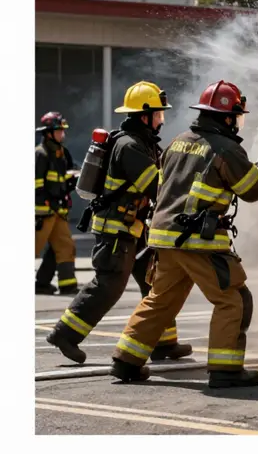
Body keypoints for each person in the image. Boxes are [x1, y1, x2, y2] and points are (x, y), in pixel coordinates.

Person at [111, 80, 258, 387]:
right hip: (198, 242)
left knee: (161, 299)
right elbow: (254, 189)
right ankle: (226, 370)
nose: (237, 122)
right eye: (236, 115)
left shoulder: (178, 141)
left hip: (163, 238)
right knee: (234, 299)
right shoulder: (226, 148)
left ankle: (125, 360)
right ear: (226, 117)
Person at [46, 82, 192, 365]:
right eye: (158, 115)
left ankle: (163, 342)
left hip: (135, 229)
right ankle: (65, 334)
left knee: (156, 283)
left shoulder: (144, 143)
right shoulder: (130, 146)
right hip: (117, 229)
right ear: (143, 115)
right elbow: (156, 187)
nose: (161, 120)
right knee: (109, 284)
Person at [35, 112, 79, 295]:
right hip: (42, 213)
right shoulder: (41, 154)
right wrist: (44, 203)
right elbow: (36, 183)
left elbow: (64, 177)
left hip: (57, 211)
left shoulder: (61, 154)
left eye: (63, 131)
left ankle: (67, 285)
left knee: (65, 247)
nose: (63, 134)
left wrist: (74, 178)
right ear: (48, 133)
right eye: (59, 131)